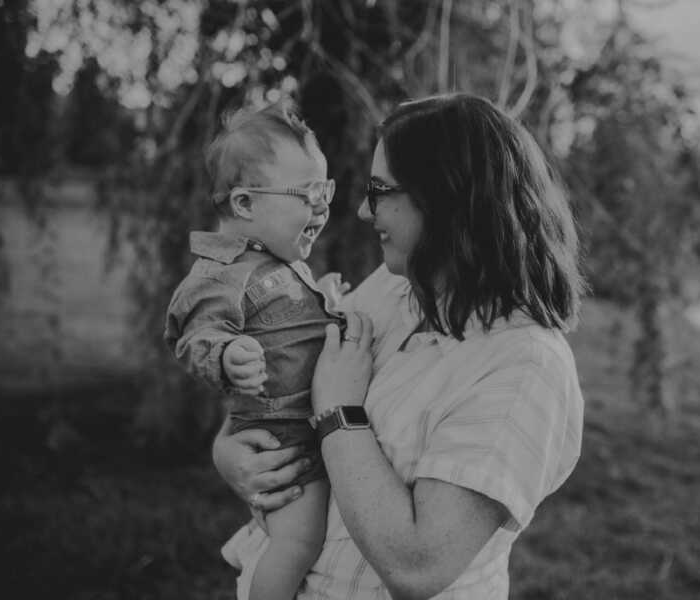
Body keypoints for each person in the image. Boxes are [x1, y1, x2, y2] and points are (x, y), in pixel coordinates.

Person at [215, 93, 585, 599]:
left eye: (380, 189)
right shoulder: (397, 287)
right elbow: (288, 379)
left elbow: (417, 564)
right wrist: (233, 453)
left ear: (448, 199)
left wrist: (339, 413)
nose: (365, 210)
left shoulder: (524, 365)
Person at [164, 99, 349, 600]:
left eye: (326, 191)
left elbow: (288, 323)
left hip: (302, 425)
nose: (323, 207)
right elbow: (193, 335)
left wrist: (324, 300)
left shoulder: (278, 259)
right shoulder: (220, 273)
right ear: (245, 205)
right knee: (298, 541)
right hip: (282, 441)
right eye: (309, 193)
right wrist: (224, 355)